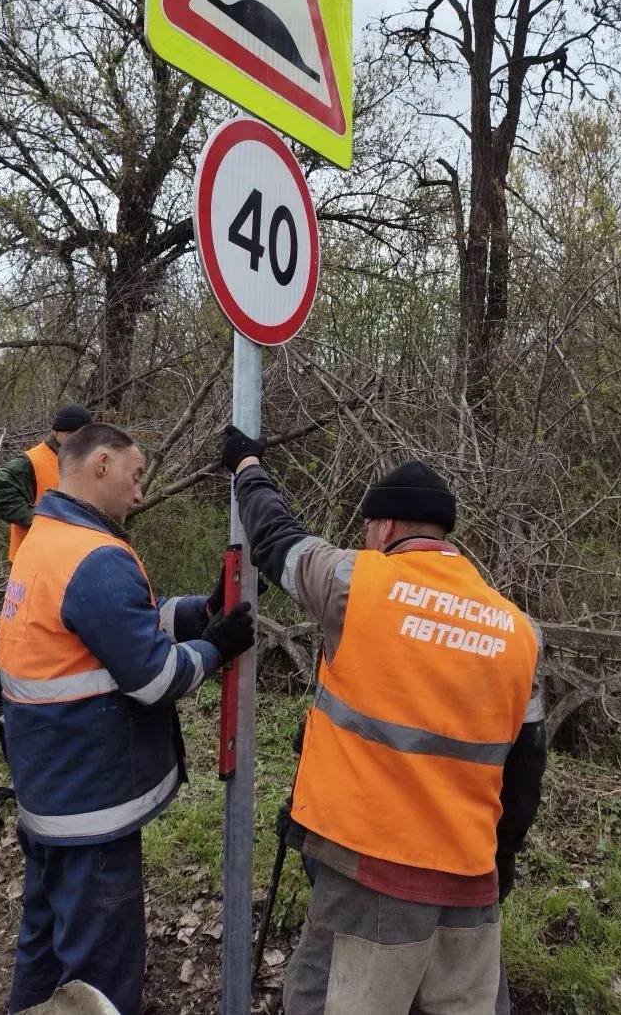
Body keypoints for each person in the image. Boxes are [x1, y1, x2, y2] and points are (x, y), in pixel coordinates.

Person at [221, 426, 547, 1015]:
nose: (366, 538)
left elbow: (276, 542)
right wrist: (500, 861)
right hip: (471, 879)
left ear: (389, 527)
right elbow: (527, 767)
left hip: (370, 871)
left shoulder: (357, 583)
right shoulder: (518, 631)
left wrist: (247, 467)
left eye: (369, 528)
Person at [0, 422, 255, 1015]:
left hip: (49, 796)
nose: (141, 493)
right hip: (93, 809)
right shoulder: (95, 558)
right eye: (137, 477)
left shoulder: (46, 539)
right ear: (102, 464)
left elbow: (119, 628)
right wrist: (218, 647)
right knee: (99, 974)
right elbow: (155, 677)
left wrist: (203, 610)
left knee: (42, 947)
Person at [0, 403, 94, 562]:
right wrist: (38, 518)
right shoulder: (30, 462)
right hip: (31, 560)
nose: (77, 440)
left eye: (82, 436)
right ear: (55, 431)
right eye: (70, 434)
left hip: (69, 560)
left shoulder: (85, 462)